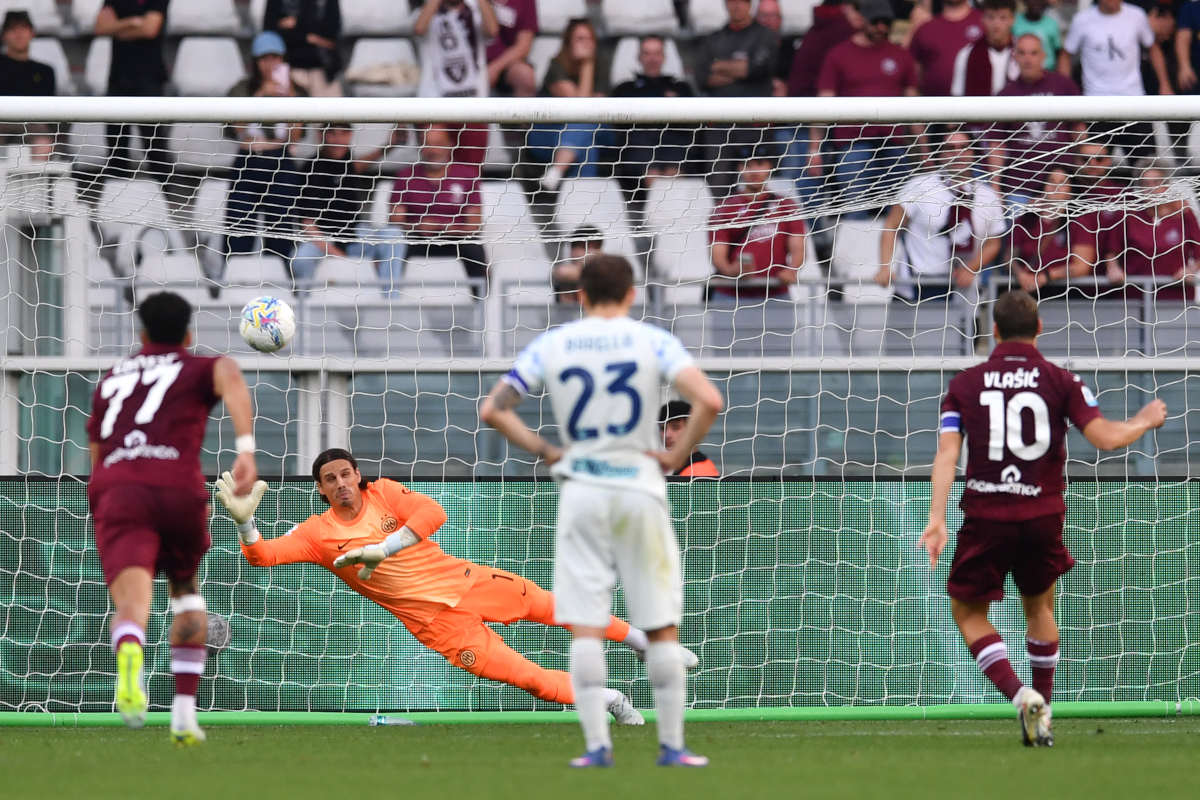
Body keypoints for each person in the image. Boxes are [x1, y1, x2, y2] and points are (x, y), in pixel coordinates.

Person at [481, 254, 724, 768]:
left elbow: (493, 408)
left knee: (587, 623)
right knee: (660, 625)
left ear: (580, 295)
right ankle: (673, 746)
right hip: (640, 488)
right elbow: (709, 400)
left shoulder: (554, 344)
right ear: (632, 294)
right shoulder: (653, 340)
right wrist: (675, 457)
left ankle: (596, 747)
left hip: (583, 490)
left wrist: (547, 451)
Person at [218, 448, 675, 721]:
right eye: (329, 479)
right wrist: (246, 525)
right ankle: (612, 700)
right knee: (529, 679)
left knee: (554, 608)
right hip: (436, 625)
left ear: (358, 476)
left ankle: (641, 641)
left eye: (345, 474)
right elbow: (264, 556)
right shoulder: (317, 534)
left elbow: (434, 513)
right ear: (320, 489)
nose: (340, 483)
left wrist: (386, 548)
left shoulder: (385, 493)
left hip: (467, 581)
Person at [920, 288, 1168, 747]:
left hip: (987, 513)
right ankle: (1043, 713)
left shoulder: (964, 385)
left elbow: (947, 453)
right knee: (1040, 607)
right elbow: (1105, 439)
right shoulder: (1062, 381)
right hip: (1042, 513)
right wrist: (1145, 421)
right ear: (1039, 329)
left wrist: (936, 519)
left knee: (968, 612)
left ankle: (1020, 696)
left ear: (992, 330)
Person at [87, 291, 258, 745]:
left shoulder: (111, 378)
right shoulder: (200, 366)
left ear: (140, 333)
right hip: (177, 486)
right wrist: (246, 450)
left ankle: (130, 657)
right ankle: (184, 714)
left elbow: (97, 451)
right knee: (185, 595)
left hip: (118, 487)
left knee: (130, 604)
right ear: (188, 334)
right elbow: (232, 375)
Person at [814, 0, 920, 214]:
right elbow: (822, 106)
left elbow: (915, 108)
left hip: (892, 143)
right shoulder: (838, 54)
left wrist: (924, 149)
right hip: (853, 142)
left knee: (901, 212)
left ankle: (895, 247)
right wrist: (813, 150)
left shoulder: (901, 55)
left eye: (886, 22)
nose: (882, 27)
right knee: (855, 210)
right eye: (876, 21)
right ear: (862, 20)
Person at [876, 132, 1005, 302]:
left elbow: (994, 242)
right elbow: (891, 226)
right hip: (914, 287)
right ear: (941, 154)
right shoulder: (919, 186)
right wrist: (885, 266)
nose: (957, 154)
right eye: (950, 148)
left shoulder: (988, 196)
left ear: (973, 153)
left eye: (963, 148)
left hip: (963, 290)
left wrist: (971, 267)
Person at [219, 31, 307, 278]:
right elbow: (236, 128)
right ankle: (234, 279)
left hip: (280, 160)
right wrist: (260, 95)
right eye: (264, 59)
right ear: (256, 62)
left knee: (280, 228)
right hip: (249, 159)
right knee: (239, 227)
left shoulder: (295, 90)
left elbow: (295, 137)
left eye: (275, 58)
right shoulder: (242, 88)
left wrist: (290, 100)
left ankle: (279, 280)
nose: (270, 65)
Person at [290, 123, 405, 285]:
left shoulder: (346, 161)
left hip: (353, 235)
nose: (338, 139)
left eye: (344, 134)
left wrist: (389, 146)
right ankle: (308, 302)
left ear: (350, 135)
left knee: (394, 236)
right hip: (323, 240)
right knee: (301, 259)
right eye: (333, 134)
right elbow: (308, 225)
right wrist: (342, 259)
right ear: (321, 135)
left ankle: (389, 302)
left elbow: (358, 165)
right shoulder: (312, 170)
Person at [1062, 0, 1168, 163]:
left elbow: (1153, 48)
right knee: (1094, 169)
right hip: (1095, 106)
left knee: (1148, 167)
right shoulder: (1082, 20)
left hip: (1134, 103)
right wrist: (1067, 92)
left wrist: (1165, 84)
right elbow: (1066, 55)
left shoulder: (1136, 15)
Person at [387, 125, 489, 295]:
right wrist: (419, 226)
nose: (432, 150)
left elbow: (474, 225)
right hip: (418, 239)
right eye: (427, 144)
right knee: (393, 247)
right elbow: (395, 220)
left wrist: (448, 228)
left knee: (474, 248)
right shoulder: (405, 177)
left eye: (438, 144)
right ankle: (390, 300)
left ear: (450, 144)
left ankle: (482, 305)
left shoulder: (467, 176)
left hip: (455, 239)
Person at [693, 0, 780, 194]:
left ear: (750, 4)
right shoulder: (713, 39)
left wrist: (720, 66)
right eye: (731, 1)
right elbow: (702, 77)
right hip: (720, 128)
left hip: (756, 126)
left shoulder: (764, 35)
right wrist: (741, 69)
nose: (736, 6)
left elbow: (759, 69)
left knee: (759, 191)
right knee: (720, 191)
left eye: (741, 1)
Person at [986, 34, 1081, 205]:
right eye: (1022, 53)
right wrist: (995, 187)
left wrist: (1080, 174)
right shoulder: (1006, 94)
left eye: (1033, 53)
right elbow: (996, 143)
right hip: (1020, 187)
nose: (1028, 59)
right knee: (1018, 232)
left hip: (1061, 186)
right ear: (1014, 56)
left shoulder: (1063, 85)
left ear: (1043, 56)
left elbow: (1079, 130)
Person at [708, 147, 806, 303]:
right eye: (748, 165)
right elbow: (717, 252)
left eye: (759, 164)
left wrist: (792, 270)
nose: (754, 171)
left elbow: (798, 246)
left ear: (769, 167)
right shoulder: (724, 208)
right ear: (740, 168)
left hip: (775, 293)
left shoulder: (786, 206)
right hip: (731, 294)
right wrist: (731, 270)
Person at [529, 18, 612, 191]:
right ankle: (584, 207)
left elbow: (591, 110)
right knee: (588, 145)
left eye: (590, 39)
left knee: (587, 125)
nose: (587, 44)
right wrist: (587, 64)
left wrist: (587, 64)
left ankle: (557, 171)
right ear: (568, 43)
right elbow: (579, 107)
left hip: (593, 128)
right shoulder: (556, 66)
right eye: (580, 39)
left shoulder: (601, 65)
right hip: (549, 133)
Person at [1100, 160, 1200, 302]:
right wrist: (1113, 268)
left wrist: (1190, 270)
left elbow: (1198, 253)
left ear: (1167, 186)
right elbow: (1112, 250)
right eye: (1146, 184)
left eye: (1156, 183)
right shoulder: (1129, 215)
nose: (1151, 189)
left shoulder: (1183, 212)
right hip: (1134, 295)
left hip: (1175, 295)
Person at [612, 36, 695, 203]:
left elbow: (691, 121)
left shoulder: (681, 87)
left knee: (675, 155)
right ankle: (659, 214)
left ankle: (670, 213)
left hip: (673, 142)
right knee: (647, 154)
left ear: (664, 56)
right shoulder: (625, 88)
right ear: (639, 57)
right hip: (640, 144)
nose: (652, 59)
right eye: (647, 53)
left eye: (657, 53)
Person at [415, 0, 499, 165]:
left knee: (470, 172)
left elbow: (493, 30)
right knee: (434, 170)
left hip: (475, 105)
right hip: (433, 105)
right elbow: (419, 29)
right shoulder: (426, 11)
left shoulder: (476, 11)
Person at [95, 0, 172, 181]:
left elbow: (150, 29)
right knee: (116, 146)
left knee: (154, 144)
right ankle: (115, 199)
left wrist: (117, 26)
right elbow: (100, 27)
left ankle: (164, 196)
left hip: (149, 79)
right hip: (118, 78)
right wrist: (132, 22)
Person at [1007, 170, 1096, 295]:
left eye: (1062, 182)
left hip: (1064, 294)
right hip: (1026, 291)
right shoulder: (1025, 220)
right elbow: (1010, 257)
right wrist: (1020, 275)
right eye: (1051, 181)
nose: (1056, 186)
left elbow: (1082, 266)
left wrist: (1047, 276)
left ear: (1070, 192)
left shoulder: (1079, 223)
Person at [0, 11, 56, 158]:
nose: (19, 33)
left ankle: (36, 181)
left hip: (32, 123)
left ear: (32, 33)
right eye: (12, 28)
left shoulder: (45, 71)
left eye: (23, 27)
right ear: (3, 35)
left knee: (43, 142)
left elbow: (46, 110)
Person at [263, 0, 343, 97]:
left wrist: (297, 23)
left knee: (331, 110)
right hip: (290, 70)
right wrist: (310, 38)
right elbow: (271, 32)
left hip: (324, 71)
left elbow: (331, 29)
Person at [908, 0, 985, 98]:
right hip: (934, 107)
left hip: (980, 106)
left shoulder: (985, 20)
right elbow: (910, 76)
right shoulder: (925, 28)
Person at [951, 0, 1019, 97]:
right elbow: (958, 95)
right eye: (991, 18)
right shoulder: (967, 54)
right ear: (982, 19)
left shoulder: (1023, 51)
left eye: (1003, 18)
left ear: (1012, 19)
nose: (996, 24)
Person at [487, 0, 538, 97]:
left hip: (505, 63)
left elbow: (524, 45)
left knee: (525, 76)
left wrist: (495, 68)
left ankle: (523, 111)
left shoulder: (525, 2)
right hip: (471, 58)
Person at [659, 401, 720, 477]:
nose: (667, 435)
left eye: (675, 427)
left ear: (692, 430)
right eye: (663, 428)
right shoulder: (686, 467)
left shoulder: (698, 472)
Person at [551, 227, 602, 304]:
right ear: (573, 251)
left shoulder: (609, 271)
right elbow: (561, 272)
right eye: (584, 247)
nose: (590, 252)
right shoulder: (563, 271)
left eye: (595, 247)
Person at [1013, 0, 1063, 72]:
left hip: (1047, 72)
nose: (1036, 2)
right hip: (1020, 71)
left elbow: (1058, 52)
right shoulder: (1015, 21)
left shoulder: (1051, 24)